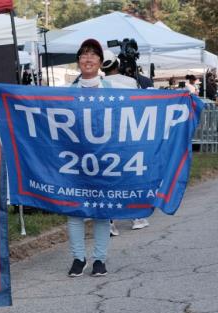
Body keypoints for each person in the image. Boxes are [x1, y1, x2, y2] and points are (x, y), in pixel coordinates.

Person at [67, 39, 114, 278]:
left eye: (93, 55)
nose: (88, 59)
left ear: (99, 61)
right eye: (83, 55)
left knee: (101, 211)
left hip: (104, 159)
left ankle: (99, 259)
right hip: (74, 160)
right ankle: (78, 258)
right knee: (75, 211)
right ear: (78, 61)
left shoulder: (113, 91)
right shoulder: (65, 93)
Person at [100, 50, 150, 234]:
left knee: (108, 177)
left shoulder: (98, 84)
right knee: (129, 175)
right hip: (128, 135)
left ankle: (110, 221)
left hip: (104, 136)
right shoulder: (130, 82)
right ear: (117, 64)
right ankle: (136, 216)